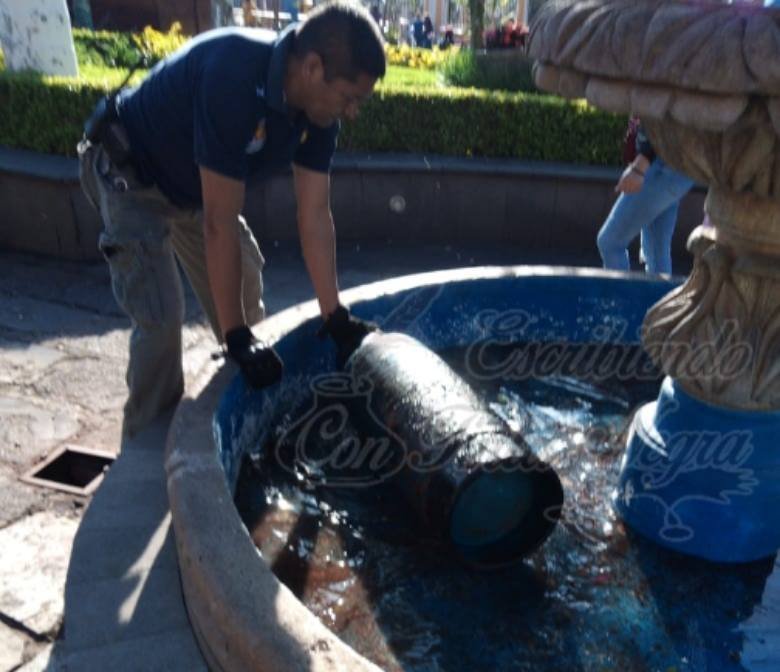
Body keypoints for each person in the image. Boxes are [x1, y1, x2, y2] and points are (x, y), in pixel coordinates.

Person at [78, 1, 386, 437]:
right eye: (350, 98)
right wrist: (238, 336)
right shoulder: (235, 74)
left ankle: (235, 416)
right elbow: (218, 223)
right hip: (130, 179)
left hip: (193, 187)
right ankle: (145, 454)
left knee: (243, 287)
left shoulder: (320, 115)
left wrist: (334, 315)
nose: (352, 112)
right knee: (161, 321)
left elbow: (314, 213)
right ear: (314, 68)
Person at [596, 119, 694, 275]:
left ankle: (621, 300)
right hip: (679, 166)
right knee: (656, 252)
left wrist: (640, 166)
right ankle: (657, 299)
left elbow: (661, 112)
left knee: (610, 242)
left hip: (661, 164)